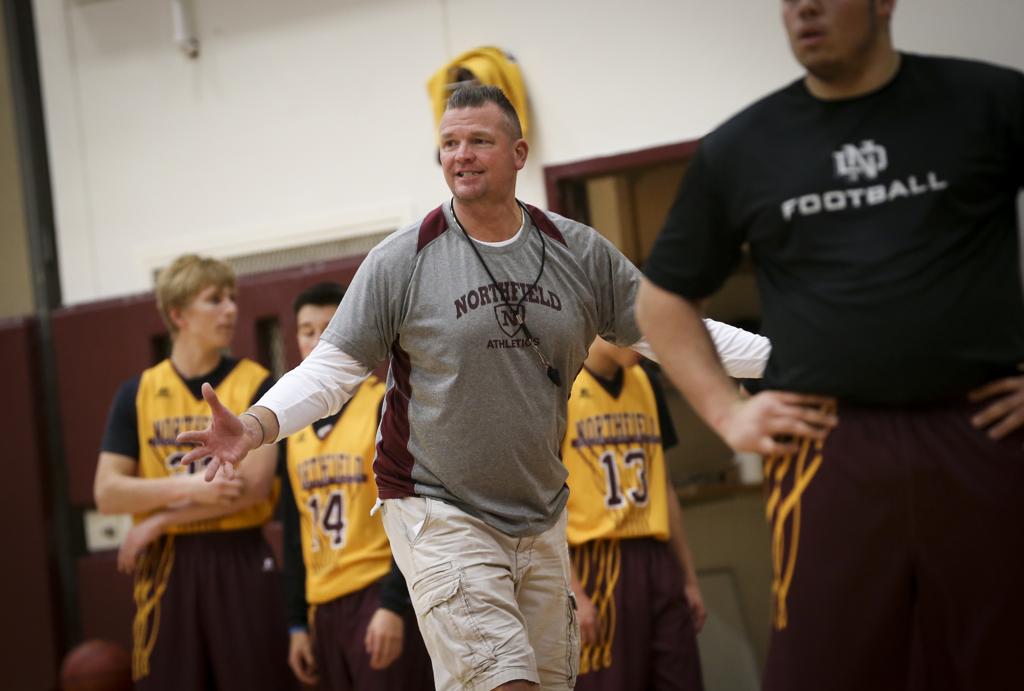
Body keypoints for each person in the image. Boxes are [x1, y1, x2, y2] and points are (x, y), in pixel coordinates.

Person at [178, 85, 770, 691]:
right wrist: (253, 425)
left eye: (479, 141)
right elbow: (332, 370)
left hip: (539, 512)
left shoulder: (579, 252)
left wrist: (783, 361)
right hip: (437, 506)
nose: (461, 154)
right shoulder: (402, 259)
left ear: (518, 153)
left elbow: (676, 335)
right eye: (449, 144)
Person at [636, 1, 1024, 690]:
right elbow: (662, 301)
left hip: (983, 434)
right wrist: (728, 414)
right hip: (829, 447)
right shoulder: (745, 147)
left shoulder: (987, 103)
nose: (804, 8)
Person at [93, 254, 294, 691]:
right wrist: (194, 490)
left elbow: (253, 489)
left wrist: (162, 517)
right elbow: (108, 493)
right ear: (178, 314)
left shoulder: (255, 382)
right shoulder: (137, 393)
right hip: (167, 566)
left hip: (237, 554)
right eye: (214, 300)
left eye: (232, 298)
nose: (230, 309)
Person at [280, 281, 433, 690]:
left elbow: (414, 513)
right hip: (322, 604)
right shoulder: (290, 423)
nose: (315, 342)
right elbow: (294, 531)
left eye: (327, 330)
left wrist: (392, 604)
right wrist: (296, 621)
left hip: (376, 595)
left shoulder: (384, 405)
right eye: (306, 331)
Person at [565, 337, 705, 691]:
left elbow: (664, 484)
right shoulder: (562, 384)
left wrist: (687, 577)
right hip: (596, 562)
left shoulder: (647, 381)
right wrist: (573, 592)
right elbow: (542, 498)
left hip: (657, 557)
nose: (649, 338)